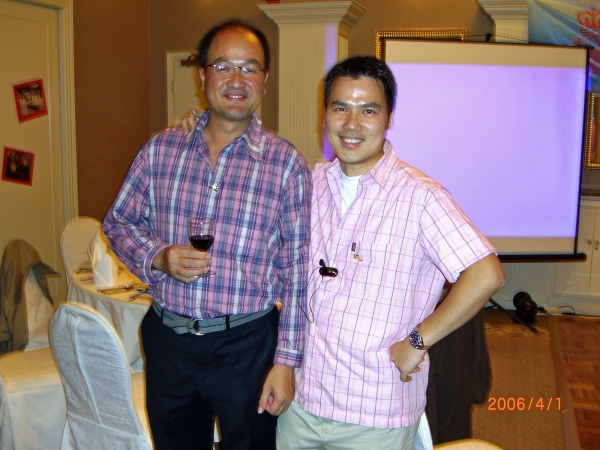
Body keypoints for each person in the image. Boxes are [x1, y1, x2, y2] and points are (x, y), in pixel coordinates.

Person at [274, 56, 506, 449]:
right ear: (324, 114)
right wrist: (208, 126)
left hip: (376, 413)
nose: (352, 123)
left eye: (368, 110)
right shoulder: (309, 184)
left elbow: (486, 273)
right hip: (302, 401)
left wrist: (419, 340)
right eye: (340, 108)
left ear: (389, 119)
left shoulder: (420, 196)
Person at [103, 19, 311, 450]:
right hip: (169, 342)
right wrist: (158, 256)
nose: (236, 80)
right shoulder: (160, 151)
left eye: (249, 68)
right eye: (223, 66)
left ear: (265, 80)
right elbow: (118, 222)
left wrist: (287, 362)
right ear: (202, 76)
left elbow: (297, 272)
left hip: (248, 349)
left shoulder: (286, 165)